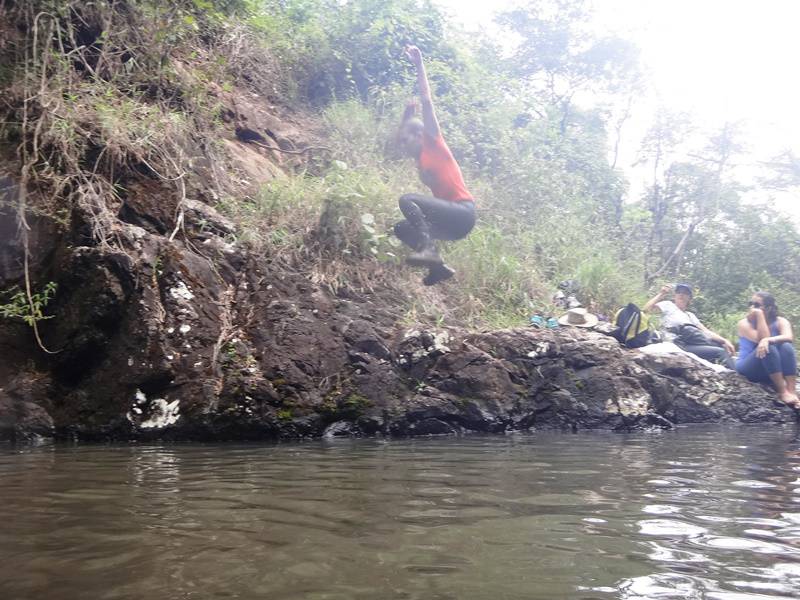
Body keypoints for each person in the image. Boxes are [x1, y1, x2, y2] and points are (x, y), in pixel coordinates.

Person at [393, 45, 476, 286]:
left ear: (420, 135)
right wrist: (405, 118)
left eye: (408, 138)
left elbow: (427, 101)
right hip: (450, 225)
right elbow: (400, 138)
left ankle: (428, 250)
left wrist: (419, 65)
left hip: (462, 213)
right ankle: (437, 268)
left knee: (407, 199)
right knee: (401, 228)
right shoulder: (419, 156)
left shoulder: (433, 142)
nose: (403, 144)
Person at [643, 283, 735, 368]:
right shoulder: (668, 305)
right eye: (678, 292)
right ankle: (739, 377)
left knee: (721, 347)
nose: (681, 294)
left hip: (692, 344)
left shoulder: (690, 315)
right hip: (677, 344)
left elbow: (706, 331)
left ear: (689, 299)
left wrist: (724, 340)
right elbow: (646, 310)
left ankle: (736, 370)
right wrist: (661, 294)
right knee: (720, 352)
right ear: (674, 296)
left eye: (685, 293)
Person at [736, 291, 799, 406]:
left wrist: (769, 340)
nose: (752, 307)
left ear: (769, 308)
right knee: (767, 347)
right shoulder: (744, 324)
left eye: (756, 305)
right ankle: (782, 392)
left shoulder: (781, 321)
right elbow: (762, 339)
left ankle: (791, 391)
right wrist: (759, 315)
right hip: (749, 368)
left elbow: (789, 337)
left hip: (772, 369)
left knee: (786, 346)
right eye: (750, 303)